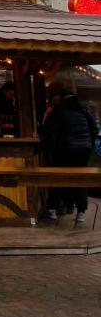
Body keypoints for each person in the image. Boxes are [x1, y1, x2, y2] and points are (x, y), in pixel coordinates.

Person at [42, 87, 97, 222]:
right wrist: (88, 142)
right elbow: (94, 128)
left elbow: (48, 129)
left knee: (58, 177)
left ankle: (53, 209)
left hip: (65, 149)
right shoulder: (84, 110)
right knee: (80, 179)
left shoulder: (60, 110)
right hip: (84, 150)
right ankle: (81, 212)